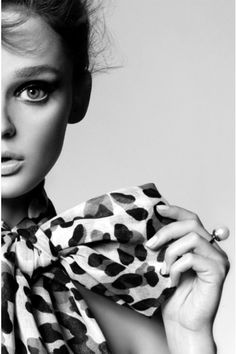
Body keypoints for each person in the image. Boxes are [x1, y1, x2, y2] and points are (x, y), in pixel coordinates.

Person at [1, 1, 230, 353]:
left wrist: (189, 336)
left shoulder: (109, 299)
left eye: (33, 90)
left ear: (79, 96)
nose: (3, 126)